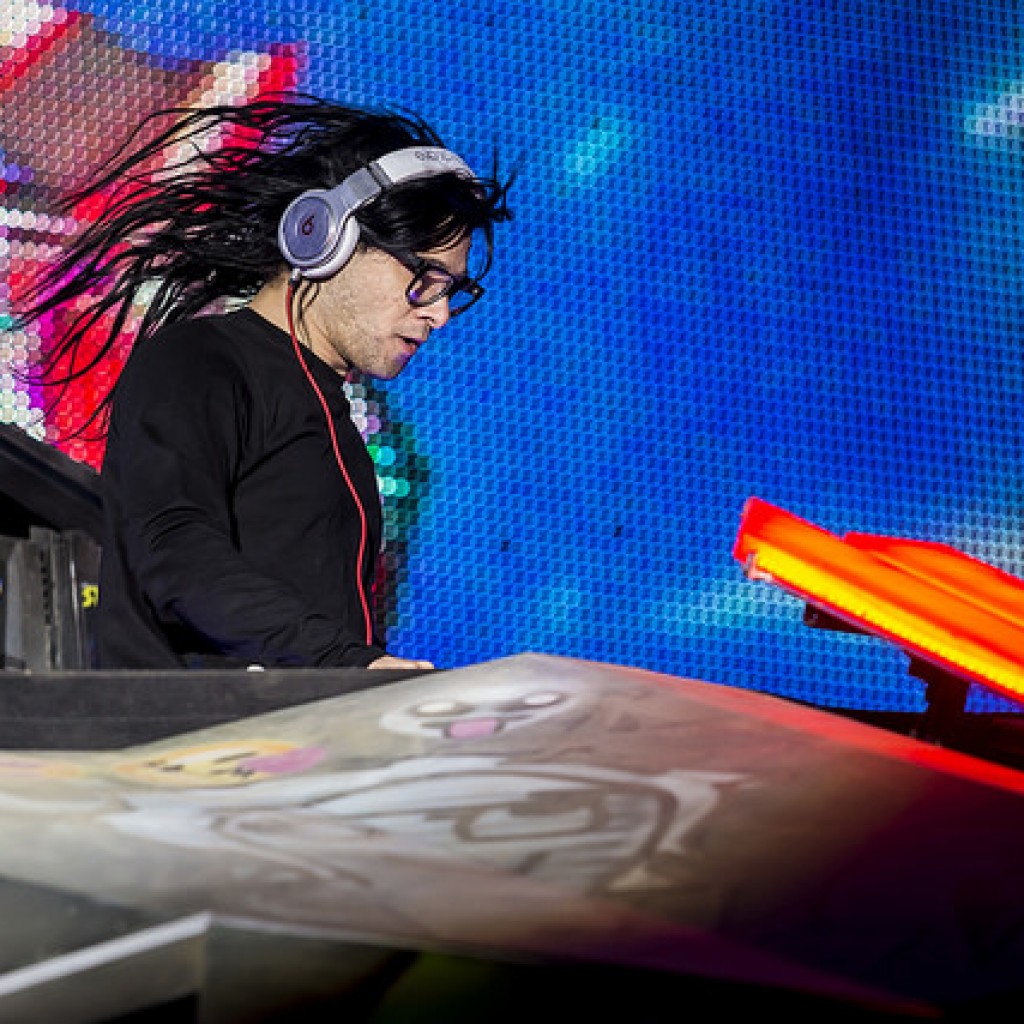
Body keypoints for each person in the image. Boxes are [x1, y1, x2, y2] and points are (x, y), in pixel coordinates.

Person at [10, 93, 514, 671]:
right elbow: (174, 548)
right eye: (425, 277)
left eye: (452, 291)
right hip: (200, 727)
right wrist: (344, 664)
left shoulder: (334, 424)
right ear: (327, 237)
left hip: (300, 723)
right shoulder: (197, 361)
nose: (439, 314)